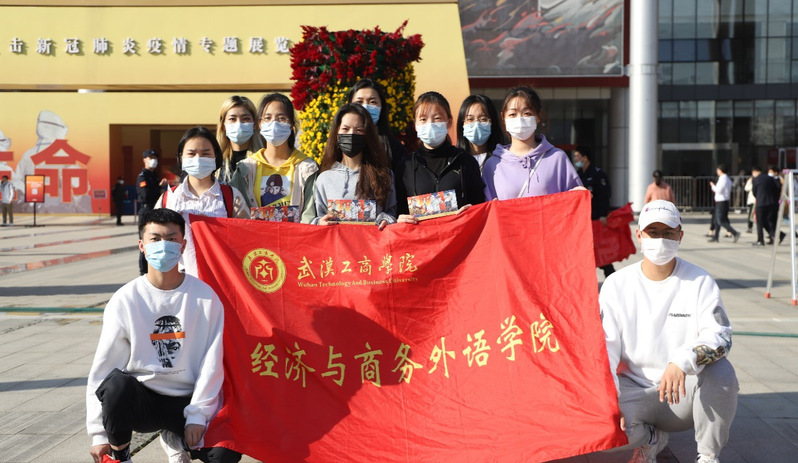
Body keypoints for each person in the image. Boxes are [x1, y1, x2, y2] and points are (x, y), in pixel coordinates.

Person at [600, 200, 738, 463]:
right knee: (596, 429)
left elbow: (721, 336)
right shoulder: (616, 284)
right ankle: (650, 439)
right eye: (653, 232)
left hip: (681, 393)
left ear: (680, 236)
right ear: (639, 235)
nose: (660, 240)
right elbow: (606, 346)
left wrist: (683, 360)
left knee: (722, 373)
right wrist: (609, 398)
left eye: (668, 233)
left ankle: (708, 456)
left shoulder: (699, 281)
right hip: (632, 390)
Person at [86, 208, 225, 463]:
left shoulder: (205, 297)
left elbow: (212, 362)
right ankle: (122, 453)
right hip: (144, 400)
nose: (163, 245)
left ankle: (176, 438)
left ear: (183, 246)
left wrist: (197, 415)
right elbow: (103, 369)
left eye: (171, 239)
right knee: (116, 385)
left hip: (186, 400)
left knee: (223, 455)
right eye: (155, 239)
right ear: (142, 245)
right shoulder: (125, 299)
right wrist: (99, 433)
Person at [156, 126, 249, 277]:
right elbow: (155, 240)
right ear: (181, 157)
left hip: (221, 277)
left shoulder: (232, 196)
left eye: (205, 154)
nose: (198, 159)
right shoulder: (168, 199)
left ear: (215, 156)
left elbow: (245, 239)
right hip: (180, 279)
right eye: (191, 154)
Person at [395, 91, 484, 223]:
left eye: (437, 118)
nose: (430, 124)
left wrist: (473, 211)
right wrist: (399, 219)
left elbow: (480, 207)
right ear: (415, 125)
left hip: (458, 234)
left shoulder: (466, 162)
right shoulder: (405, 167)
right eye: (423, 119)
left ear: (449, 122)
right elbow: (397, 211)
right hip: (420, 235)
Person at [482, 86, 582, 200]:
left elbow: (574, 203)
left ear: (538, 116)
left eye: (527, 113)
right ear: (503, 118)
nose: (520, 119)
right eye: (513, 114)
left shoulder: (557, 159)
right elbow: (486, 207)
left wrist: (582, 197)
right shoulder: (493, 165)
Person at [312, 104, 397, 228]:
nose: (351, 134)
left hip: (372, 240)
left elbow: (392, 213)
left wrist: (387, 220)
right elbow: (318, 218)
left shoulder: (384, 175)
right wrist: (320, 222)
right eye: (345, 129)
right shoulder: (324, 179)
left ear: (367, 135)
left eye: (359, 130)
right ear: (336, 133)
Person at [229, 93, 318, 210]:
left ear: (291, 124)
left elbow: (309, 214)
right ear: (259, 124)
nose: (274, 123)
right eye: (267, 118)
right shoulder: (245, 168)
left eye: (281, 118)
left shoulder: (307, 168)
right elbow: (236, 210)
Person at [347, 78, 407, 173]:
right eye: (359, 102)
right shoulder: (343, 144)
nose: (365, 107)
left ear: (381, 106)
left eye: (372, 102)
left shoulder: (394, 148)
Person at [572, 145, 614, 277]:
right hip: (583, 219)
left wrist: (603, 215)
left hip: (596, 218)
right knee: (586, 250)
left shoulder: (597, 174)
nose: (575, 158)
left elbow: (604, 195)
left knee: (598, 250)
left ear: (585, 158)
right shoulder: (578, 174)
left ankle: (610, 275)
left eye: (577, 156)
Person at [215, 95, 263, 185]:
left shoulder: (264, 160)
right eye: (232, 119)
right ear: (223, 125)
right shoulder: (215, 162)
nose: (239, 124)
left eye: (245, 119)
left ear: (255, 124)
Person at [456, 94, 504, 173]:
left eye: (483, 119)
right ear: (462, 123)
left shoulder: (503, 159)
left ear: (492, 122)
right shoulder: (454, 161)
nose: (476, 125)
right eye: (470, 119)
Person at [137, 149, 167, 274]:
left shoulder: (154, 175)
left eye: (155, 158)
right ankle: (143, 271)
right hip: (147, 210)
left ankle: (153, 268)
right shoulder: (143, 176)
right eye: (150, 158)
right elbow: (145, 195)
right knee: (146, 242)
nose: (153, 160)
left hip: (155, 210)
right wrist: (158, 187)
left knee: (156, 241)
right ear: (144, 160)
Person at [708, 164, 740, 243]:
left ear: (720, 170)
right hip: (723, 201)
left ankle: (735, 233)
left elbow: (718, 190)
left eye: (718, 170)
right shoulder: (727, 178)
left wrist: (712, 186)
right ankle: (716, 237)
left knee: (720, 221)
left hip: (721, 201)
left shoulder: (723, 179)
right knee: (716, 220)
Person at [751, 165, 780, 246]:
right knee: (768, 220)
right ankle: (773, 236)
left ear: (754, 172)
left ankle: (760, 240)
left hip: (761, 203)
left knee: (760, 222)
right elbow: (776, 189)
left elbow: (754, 191)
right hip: (771, 203)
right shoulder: (770, 178)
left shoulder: (756, 179)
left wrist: (759, 197)